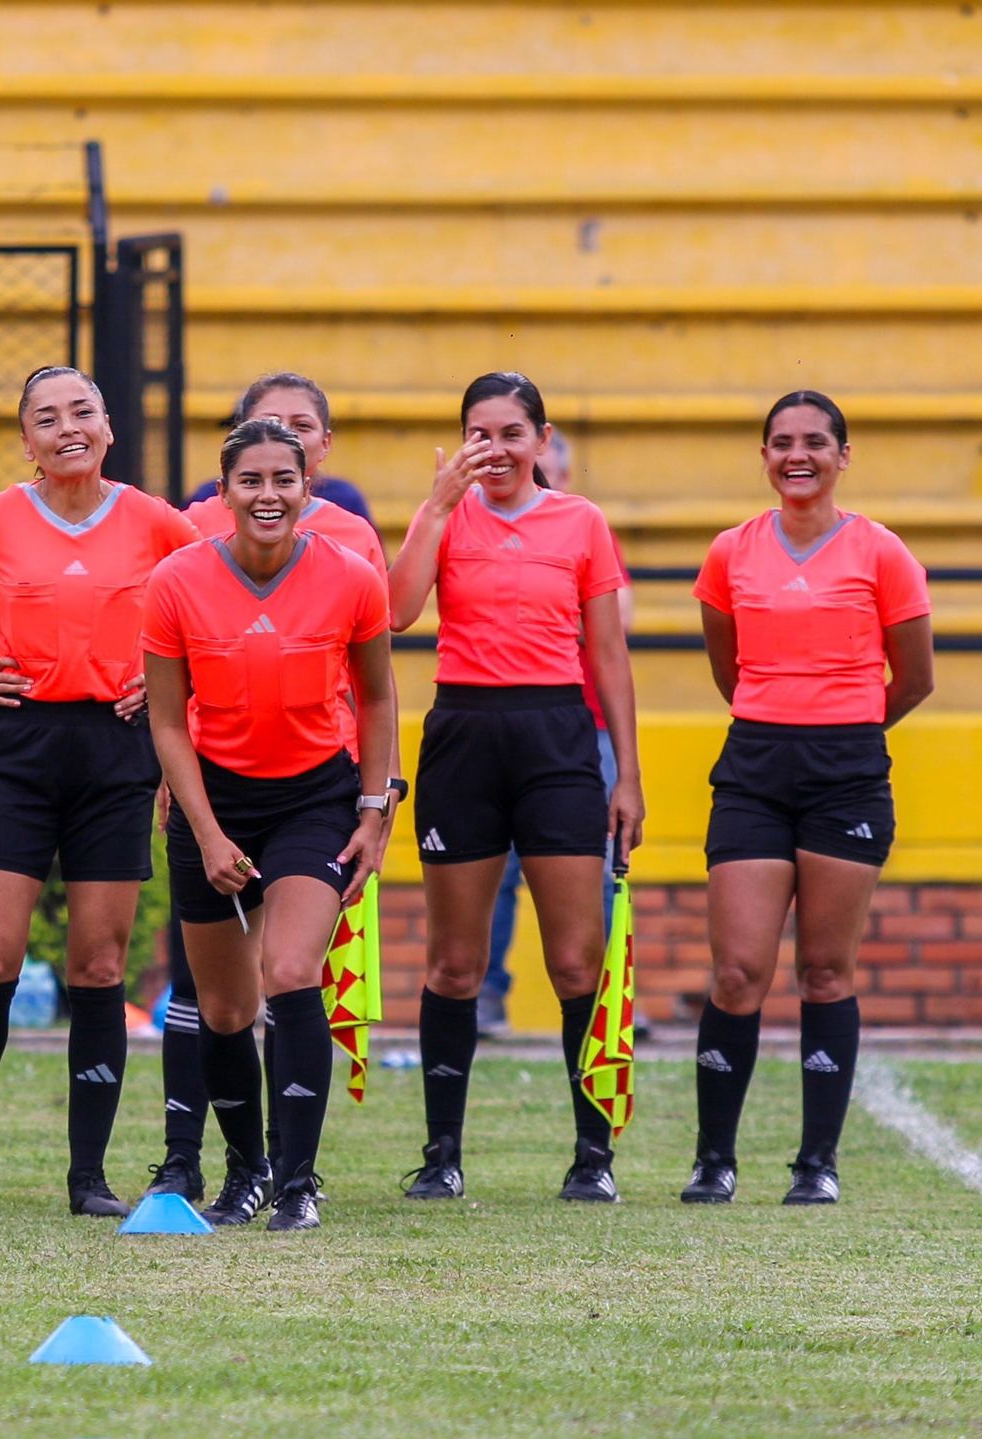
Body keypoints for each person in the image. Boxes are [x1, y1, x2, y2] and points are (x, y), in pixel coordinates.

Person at [0, 364, 200, 1216]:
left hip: (117, 749)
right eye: (46, 418)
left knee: (99, 962)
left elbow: (217, 599)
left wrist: (173, 685)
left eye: (83, 412)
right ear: (26, 441)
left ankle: (87, 1176)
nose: (67, 427)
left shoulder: (150, 519)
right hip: (20, 746)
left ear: (107, 428)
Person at [387, 371, 644, 1204]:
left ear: (541, 439)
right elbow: (395, 612)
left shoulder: (582, 523)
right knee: (455, 963)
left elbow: (607, 656)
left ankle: (592, 1155)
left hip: (557, 740)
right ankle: (441, 1154)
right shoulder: (445, 514)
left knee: (577, 960)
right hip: (463, 734)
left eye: (510, 433)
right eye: (478, 433)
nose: (494, 449)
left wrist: (626, 774)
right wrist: (432, 506)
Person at [145, 370, 394, 1206]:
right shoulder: (175, 581)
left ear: (307, 484)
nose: (267, 493)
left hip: (313, 799)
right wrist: (209, 835)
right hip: (214, 801)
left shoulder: (353, 575)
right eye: (249, 480)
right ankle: (245, 1171)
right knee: (222, 1008)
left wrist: (375, 809)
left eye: (282, 479)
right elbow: (169, 722)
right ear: (223, 492)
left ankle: (296, 1182)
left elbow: (380, 695)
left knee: (290, 971)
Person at [682, 390, 932, 1206]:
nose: (799, 454)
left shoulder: (883, 552)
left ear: (843, 455)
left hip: (846, 771)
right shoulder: (731, 552)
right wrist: (778, 717)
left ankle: (815, 1163)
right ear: (763, 456)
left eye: (816, 441)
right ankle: (714, 1159)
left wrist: (849, 726)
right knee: (739, 970)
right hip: (753, 764)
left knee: (825, 968)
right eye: (782, 441)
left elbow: (916, 675)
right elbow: (728, 665)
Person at [476, 427, 643, 1040]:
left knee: (598, 865)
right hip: (501, 725)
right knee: (498, 869)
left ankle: (607, 994)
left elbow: (615, 620)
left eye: (550, 468)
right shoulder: (475, 524)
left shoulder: (585, 525)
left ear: (566, 478)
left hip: (584, 724)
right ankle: (484, 999)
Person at [181, 371, 378, 527]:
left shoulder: (349, 512)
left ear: (325, 443)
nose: (284, 435)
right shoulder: (200, 515)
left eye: (302, 425)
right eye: (268, 423)